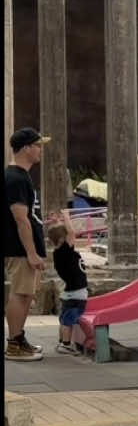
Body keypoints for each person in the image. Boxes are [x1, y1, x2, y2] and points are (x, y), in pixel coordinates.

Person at [5, 128, 48, 362]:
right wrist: (31, 253)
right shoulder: (16, 178)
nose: (40, 150)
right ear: (26, 148)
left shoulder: (21, 176)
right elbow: (20, 219)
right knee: (20, 294)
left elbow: (28, 216)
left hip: (23, 247)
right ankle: (13, 344)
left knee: (25, 294)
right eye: (38, 145)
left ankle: (19, 339)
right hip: (19, 248)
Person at [47, 219, 95, 356]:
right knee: (69, 319)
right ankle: (66, 345)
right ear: (63, 239)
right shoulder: (65, 251)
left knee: (64, 319)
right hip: (76, 293)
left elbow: (69, 234)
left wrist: (59, 222)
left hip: (70, 292)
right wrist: (66, 217)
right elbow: (72, 233)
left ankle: (62, 341)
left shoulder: (61, 253)